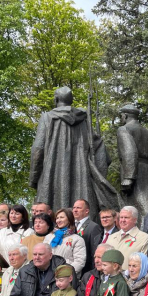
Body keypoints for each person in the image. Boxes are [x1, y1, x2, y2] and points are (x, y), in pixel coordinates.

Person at [29, 86, 119, 217]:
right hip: (81, 173)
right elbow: (99, 147)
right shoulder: (83, 120)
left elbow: (38, 149)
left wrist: (34, 177)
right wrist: (99, 174)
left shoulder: (47, 118)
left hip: (52, 172)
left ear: (56, 99)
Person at [117, 104, 148, 218]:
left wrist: (129, 177)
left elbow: (129, 151)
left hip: (135, 170)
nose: (121, 118)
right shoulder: (146, 131)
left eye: (122, 115)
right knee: (145, 203)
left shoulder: (124, 129)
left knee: (140, 204)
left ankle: (147, 232)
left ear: (126, 115)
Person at [44, 208, 86, 276]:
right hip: (48, 275)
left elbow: (79, 262)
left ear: (69, 219)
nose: (58, 220)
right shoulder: (49, 237)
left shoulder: (77, 239)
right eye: (57, 218)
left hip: (66, 277)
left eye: (62, 217)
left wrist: (64, 274)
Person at [72, 199, 103, 274]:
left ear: (86, 211)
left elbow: (94, 251)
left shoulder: (93, 227)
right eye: (74, 208)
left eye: (78, 208)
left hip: (86, 270)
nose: (75, 210)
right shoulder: (71, 226)